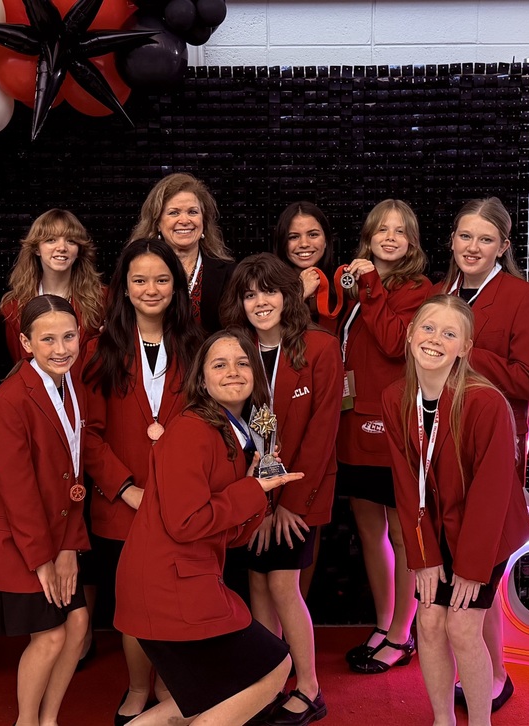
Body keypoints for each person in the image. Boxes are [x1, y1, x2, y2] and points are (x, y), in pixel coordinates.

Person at [114, 329, 303, 725]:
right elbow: (186, 523)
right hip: (170, 587)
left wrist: (255, 489)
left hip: (184, 579)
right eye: (220, 364)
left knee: (203, 697)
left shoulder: (232, 434)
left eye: (242, 362)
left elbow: (230, 536)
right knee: (272, 667)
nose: (233, 371)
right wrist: (252, 490)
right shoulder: (191, 431)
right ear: (202, 379)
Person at [382, 295, 529, 726]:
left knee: (462, 628)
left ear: (465, 348)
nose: (435, 339)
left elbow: (493, 494)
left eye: (449, 334)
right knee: (428, 623)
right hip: (435, 528)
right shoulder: (396, 398)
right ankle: (443, 720)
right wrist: (424, 558)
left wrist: (470, 567)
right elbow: (407, 486)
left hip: (486, 535)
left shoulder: (486, 403)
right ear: (411, 335)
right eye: (428, 328)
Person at [81, 238, 204, 724]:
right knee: (133, 605)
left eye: (161, 279)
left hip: (182, 505)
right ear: (124, 289)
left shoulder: (198, 346)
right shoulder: (97, 349)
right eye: (139, 280)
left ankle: (175, 691)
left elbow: (209, 425)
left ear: (177, 287)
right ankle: (137, 689)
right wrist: (127, 488)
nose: (150, 289)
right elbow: (86, 435)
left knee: (179, 603)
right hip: (121, 504)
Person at [433, 197, 529, 710]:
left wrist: (464, 348)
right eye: (464, 236)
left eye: (484, 238)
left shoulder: (522, 296)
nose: (472, 247)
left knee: (482, 558)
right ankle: (495, 674)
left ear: (503, 245)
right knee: (467, 573)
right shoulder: (442, 292)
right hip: (440, 448)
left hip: (492, 445)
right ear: (452, 241)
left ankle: (494, 676)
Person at [220, 254, 342, 726]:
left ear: (289, 295)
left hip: (298, 497)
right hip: (250, 493)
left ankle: (309, 688)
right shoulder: (235, 348)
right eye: (249, 294)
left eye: (268, 291)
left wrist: (287, 505)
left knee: (283, 585)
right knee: (255, 583)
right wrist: (255, 500)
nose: (260, 302)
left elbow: (321, 433)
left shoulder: (320, 346)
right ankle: (269, 679)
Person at [0, 294, 91, 726]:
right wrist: (46, 559)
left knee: (77, 627)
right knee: (54, 634)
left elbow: (70, 476)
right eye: (49, 339)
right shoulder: (6, 403)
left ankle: (48, 719)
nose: (61, 348)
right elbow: (19, 491)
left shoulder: (70, 384)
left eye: (69, 337)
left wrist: (70, 545)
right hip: (14, 539)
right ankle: (26, 721)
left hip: (55, 532)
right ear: (25, 343)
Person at [334, 200, 430, 675]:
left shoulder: (418, 290)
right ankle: (383, 621)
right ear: (368, 236)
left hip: (390, 425)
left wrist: (369, 286)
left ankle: (401, 632)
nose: (390, 237)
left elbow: (395, 343)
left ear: (411, 241)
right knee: (368, 531)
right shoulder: (354, 287)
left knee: (400, 530)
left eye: (400, 231)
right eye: (380, 229)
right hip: (352, 424)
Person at [130, 172, 236, 333]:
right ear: (157, 222)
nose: (185, 220)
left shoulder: (230, 273)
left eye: (192, 212)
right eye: (174, 213)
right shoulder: (134, 269)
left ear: (204, 220)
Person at [0, 208, 105, 361]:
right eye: (51, 240)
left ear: (79, 250)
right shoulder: (13, 307)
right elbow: (20, 365)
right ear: (36, 249)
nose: (62, 247)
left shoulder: (102, 299)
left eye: (71, 241)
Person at [272, 201, 341, 331]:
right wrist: (300, 292)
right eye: (293, 237)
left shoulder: (341, 284)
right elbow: (265, 332)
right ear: (282, 243)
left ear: (326, 240)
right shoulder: (267, 285)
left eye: (313, 234)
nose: (304, 243)